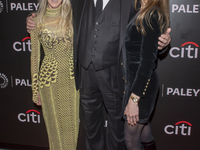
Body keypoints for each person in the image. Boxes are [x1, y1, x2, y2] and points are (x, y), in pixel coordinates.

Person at [27, 0, 171, 150]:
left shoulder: (131, 2)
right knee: (91, 128)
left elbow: (146, 26)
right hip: (85, 72)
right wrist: (33, 19)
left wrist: (163, 42)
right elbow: (54, 6)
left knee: (117, 130)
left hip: (114, 74)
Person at [30, 0, 79, 149]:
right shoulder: (36, 20)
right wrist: (35, 89)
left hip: (71, 80)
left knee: (71, 131)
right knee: (54, 130)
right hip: (48, 81)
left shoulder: (74, 16)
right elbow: (34, 57)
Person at [122, 0, 170, 149]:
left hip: (141, 84)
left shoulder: (151, 14)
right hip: (136, 81)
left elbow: (147, 62)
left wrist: (134, 100)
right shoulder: (141, 8)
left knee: (131, 141)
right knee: (144, 134)